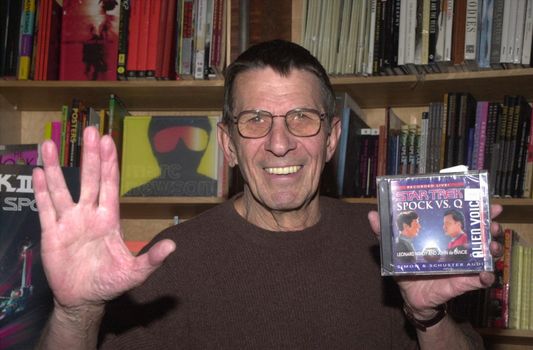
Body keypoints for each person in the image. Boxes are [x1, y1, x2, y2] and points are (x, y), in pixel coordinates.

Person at [33, 40, 503, 349]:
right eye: (254, 120)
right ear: (228, 144)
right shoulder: (172, 258)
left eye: (302, 117)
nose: (280, 143)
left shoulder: (395, 241)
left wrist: (427, 317)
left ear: (333, 138)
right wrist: (75, 314)